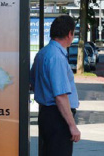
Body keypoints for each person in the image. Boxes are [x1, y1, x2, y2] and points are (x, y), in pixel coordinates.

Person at [30, 15, 81, 156]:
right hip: (58, 117)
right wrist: (72, 126)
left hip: (46, 114)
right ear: (70, 34)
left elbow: (33, 82)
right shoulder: (57, 57)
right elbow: (60, 96)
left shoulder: (43, 53)